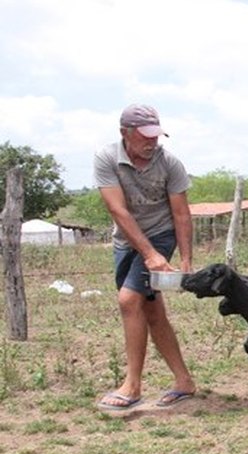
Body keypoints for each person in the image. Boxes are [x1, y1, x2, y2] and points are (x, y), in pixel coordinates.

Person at [94, 103, 196, 410]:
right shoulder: (108, 158)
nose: (152, 142)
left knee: (128, 300)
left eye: (156, 136)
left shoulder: (170, 163)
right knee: (150, 311)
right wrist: (147, 253)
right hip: (127, 242)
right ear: (125, 133)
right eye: (145, 136)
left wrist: (186, 260)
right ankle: (184, 381)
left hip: (160, 235)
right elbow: (117, 210)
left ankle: (132, 386)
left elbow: (181, 214)